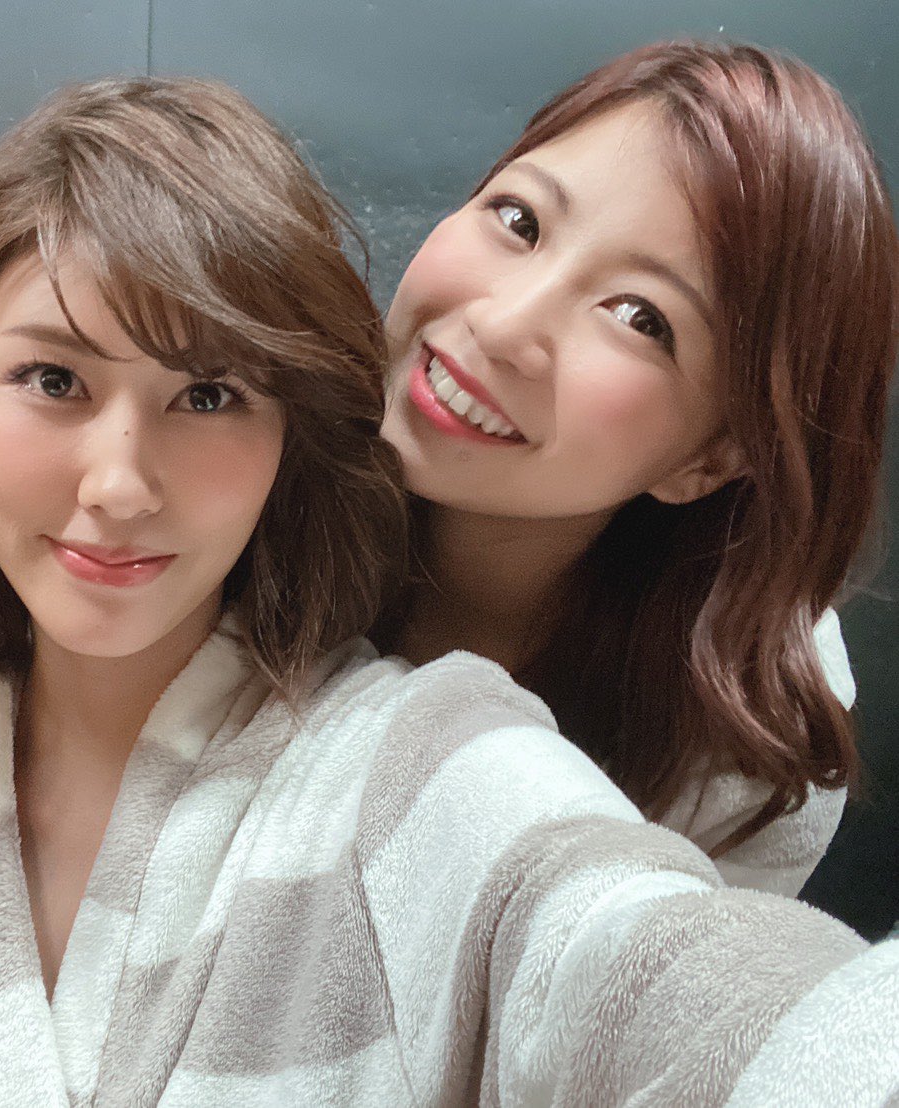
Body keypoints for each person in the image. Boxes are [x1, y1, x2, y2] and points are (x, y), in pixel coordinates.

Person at [0, 77, 896, 1106]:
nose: (501, 325)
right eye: (518, 220)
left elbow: (657, 975)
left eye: (208, 394)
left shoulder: (619, 743)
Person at [378, 39, 899, 894]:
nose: (504, 326)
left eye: (639, 317)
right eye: (519, 221)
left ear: (713, 458)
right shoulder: (225, 468)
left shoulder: (745, 745)